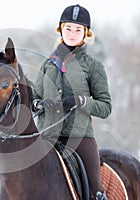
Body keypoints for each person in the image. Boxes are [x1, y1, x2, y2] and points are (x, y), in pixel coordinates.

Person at [32, 4, 111, 200]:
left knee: (95, 190)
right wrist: (38, 105)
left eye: (78, 29)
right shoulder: (47, 64)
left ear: (86, 33)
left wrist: (81, 101)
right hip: (46, 137)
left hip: (80, 137)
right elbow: (34, 97)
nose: (73, 33)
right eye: (68, 28)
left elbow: (105, 107)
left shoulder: (93, 66)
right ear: (61, 30)